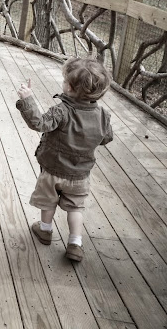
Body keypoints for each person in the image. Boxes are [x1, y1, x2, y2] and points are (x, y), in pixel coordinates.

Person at [16, 57, 114, 262]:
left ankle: (45, 230)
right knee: (76, 207)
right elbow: (106, 138)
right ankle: (75, 244)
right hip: (80, 175)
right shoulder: (103, 115)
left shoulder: (62, 110)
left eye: (64, 80)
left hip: (52, 170)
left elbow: (39, 123)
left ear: (69, 87)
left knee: (49, 201)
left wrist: (28, 99)